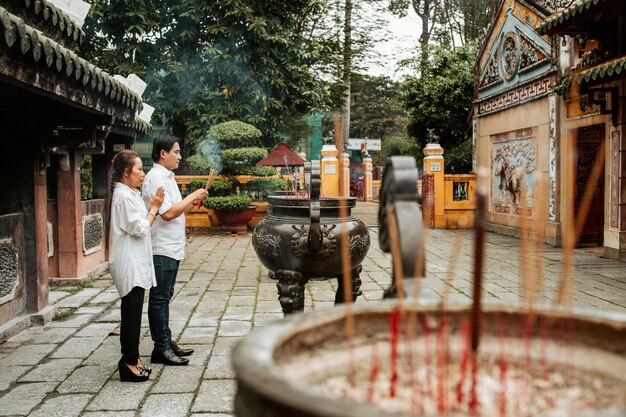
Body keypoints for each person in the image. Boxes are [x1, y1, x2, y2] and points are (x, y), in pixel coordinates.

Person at [142, 133, 209, 366]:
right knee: (159, 298)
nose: (180, 156)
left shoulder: (168, 177)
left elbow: (176, 210)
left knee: (165, 296)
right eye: (176, 152)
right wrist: (192, 195)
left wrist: (192, 202)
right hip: (161, 247)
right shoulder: (155, 179)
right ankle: (160, 348)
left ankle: (166, 341)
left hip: (171, 246)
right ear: (163, 153)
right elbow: (168, 214)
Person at [109, 149, 165, 382]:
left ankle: (133, 358)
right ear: (126, 172)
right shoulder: (122, 196)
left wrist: (151, 206)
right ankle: (128, 362)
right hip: (129, 263)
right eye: (140, 169)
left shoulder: (129, 194)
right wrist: (154, 208)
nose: (143, 173)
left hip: (135, 262)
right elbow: (140, 228)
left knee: (133, 314)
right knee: (131, 315)